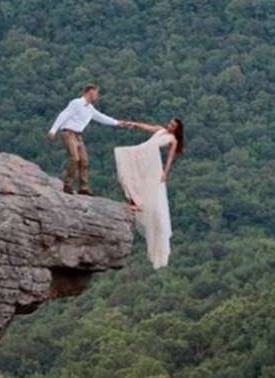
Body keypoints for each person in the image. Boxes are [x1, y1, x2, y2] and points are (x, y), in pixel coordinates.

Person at [114, 118, 184, 269]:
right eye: (170, 123)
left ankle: (139, 205)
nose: (170, 126)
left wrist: (165, 173)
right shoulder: (160, 129)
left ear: (177, 129)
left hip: (152, 162)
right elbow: (147, 127)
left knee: (146, 186)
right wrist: (134, 123)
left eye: (173, 125)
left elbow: (170, 157)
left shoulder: (172, 139)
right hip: (142, 154)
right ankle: (134, 201)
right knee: (128, 172)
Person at [46, 84, 129, 195]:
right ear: (90, 92)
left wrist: (117, 123)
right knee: (75, 158)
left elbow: (101, 117)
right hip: (68, 133)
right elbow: (64, 115)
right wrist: (53, 130)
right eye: (96, 94)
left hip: (78, 135)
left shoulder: (90, 109)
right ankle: (68, 184)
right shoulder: (76, 103)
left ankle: (83, 187)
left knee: (84, 161)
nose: (97, 96)